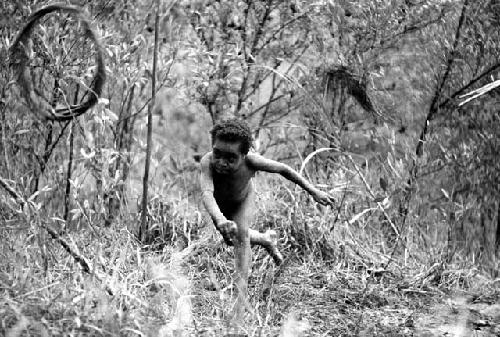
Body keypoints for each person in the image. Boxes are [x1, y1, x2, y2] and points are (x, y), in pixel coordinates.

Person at [199, 118, 335, 320]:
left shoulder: (252, 161)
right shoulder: (207, 162)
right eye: (218, 153)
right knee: (230, 236)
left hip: (242, 201)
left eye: (230, 158)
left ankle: (240, 300)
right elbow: (207, 193)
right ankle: (265, 239)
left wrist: (314, 191)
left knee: (241, 237)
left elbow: (284, 170)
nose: (221, 162)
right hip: (219, 206)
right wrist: (220, 219)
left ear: (244, 155)